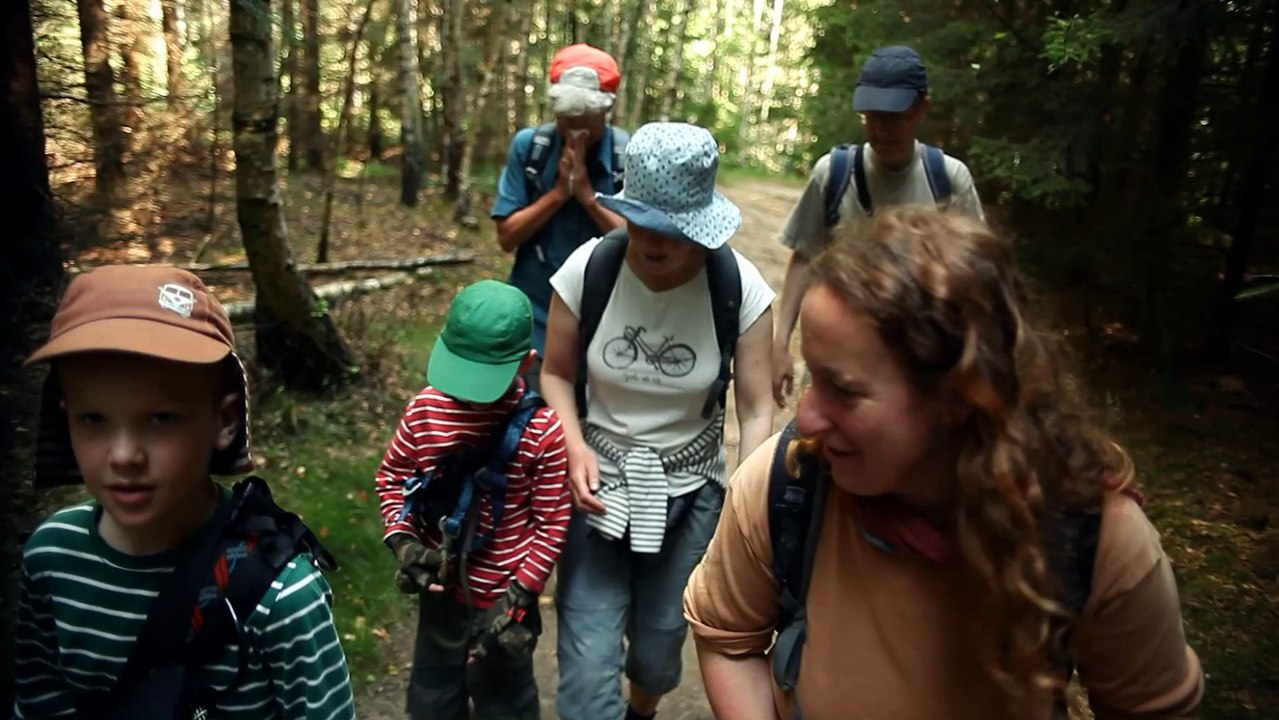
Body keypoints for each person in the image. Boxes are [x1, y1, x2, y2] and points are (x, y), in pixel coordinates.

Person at [684, 208, 1204, 720]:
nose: (808, 417)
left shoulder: (1095, 539)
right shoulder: (790, 481)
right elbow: (728, 638)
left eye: (843, 390)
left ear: (958, 397)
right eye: (812, 378)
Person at [14, 266, 356, 719]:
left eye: (161, 419)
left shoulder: (283, 597)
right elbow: (40, 702)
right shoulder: (52, 560)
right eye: (93, 419)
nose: (124, 456)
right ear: (65, 418)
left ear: (226, 421)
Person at [540, 122, 776, 720]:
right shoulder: (588, 270)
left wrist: (745, 509)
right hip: (596, 492)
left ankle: (641, 710)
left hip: (692, 496)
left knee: (659, 649)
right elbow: (556, 375)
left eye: (670, 225)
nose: (650, 237)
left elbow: (756, 406)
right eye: (640, 218)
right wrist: (573, 446)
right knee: (587, 669)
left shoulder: (740, 289)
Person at [374, 279, 571, 720]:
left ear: (526, 363)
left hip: (504, 605)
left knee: (506, 706)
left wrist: (522, 591)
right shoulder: (425, 411)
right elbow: (392, 476)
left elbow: (553, 520)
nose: (467, 397)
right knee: (431, 703)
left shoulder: (542, 432)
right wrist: (403, 541)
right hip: (442, 594)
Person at [771, 45, 986, 405]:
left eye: (893, 117)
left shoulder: (948, 180)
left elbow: (976, 278)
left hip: (917, 370)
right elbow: (805, 256)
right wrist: (780, 345)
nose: (881, 130)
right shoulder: (833, 174)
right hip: (836, 365)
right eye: (872, 117)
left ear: (922, 110)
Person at [492, 43, 630, 384]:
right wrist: (557, 194)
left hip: (606, 324)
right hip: (532, 320)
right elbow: (507, 236)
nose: (576, 131)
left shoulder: (627, 155)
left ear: (605, 113)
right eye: (568, 119)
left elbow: (641, 242)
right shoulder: (530, 148)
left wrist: (587, 198)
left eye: (587, 121)